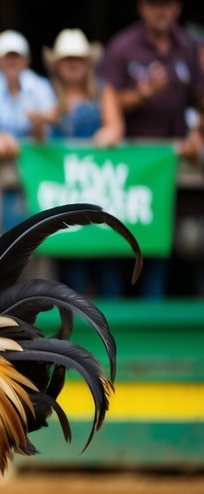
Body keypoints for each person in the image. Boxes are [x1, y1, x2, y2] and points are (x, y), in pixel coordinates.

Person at [100, 0, 204, 299]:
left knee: (160, 248)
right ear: (142, 7)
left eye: (168, 4)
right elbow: (106, 100)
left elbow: (199, 99)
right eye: (155, 4)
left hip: (169, 168)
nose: (162, 11)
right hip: (126, 167)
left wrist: (197, 130)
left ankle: (156, 315)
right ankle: (111, 319)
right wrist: (142, 94)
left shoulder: (188, 46)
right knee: (115, 245)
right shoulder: (122, 46)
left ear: (179, 7)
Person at [40, 28, 128, 299]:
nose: (73, 64)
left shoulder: (103, 92)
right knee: (70, 269)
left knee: (108, 265)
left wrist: (107, 136)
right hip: (62, 196)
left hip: (101, 192)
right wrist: (43, 121)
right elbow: (35, 136)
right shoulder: (45, 93)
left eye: (78, 58)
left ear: (88, 62)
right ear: (57, 64)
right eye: (67, 59)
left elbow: (116, 127)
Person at [0, 31, 55, 161]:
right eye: (7, 57)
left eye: (17, 56)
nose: (12, 61)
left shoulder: (41, 86)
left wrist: (39, 125)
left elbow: (52, 134)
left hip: (36, 161)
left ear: (27, 60)